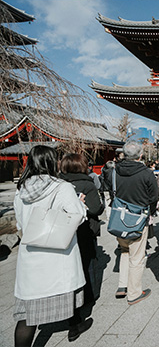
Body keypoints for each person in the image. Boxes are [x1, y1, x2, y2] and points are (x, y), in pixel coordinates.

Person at [13, 145, 92, 346]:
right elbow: (77, 216)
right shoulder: (62, 187)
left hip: (31, 256)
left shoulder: (21, 190)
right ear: (51, 161)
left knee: (27, 315)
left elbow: (20, 223)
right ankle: (74, 326)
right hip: (57, 255)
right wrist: (81, 203)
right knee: (67, 293)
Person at [105, 141, 158, 304]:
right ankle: (134, 293)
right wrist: (151, 211)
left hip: (119, 218)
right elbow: (153, 197)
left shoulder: (113, 172)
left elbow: (108, 190)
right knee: (137, 256)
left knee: (124, 251)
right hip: (137, 220)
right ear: (140, 155)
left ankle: (122, 285)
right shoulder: (147, 173)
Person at [60, 153, 105, 306]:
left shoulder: (59, 184)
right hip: (85, 229)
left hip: (64, 230)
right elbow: (95, 209)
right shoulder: (88, 184)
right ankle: (89, 295)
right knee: (88, 261)